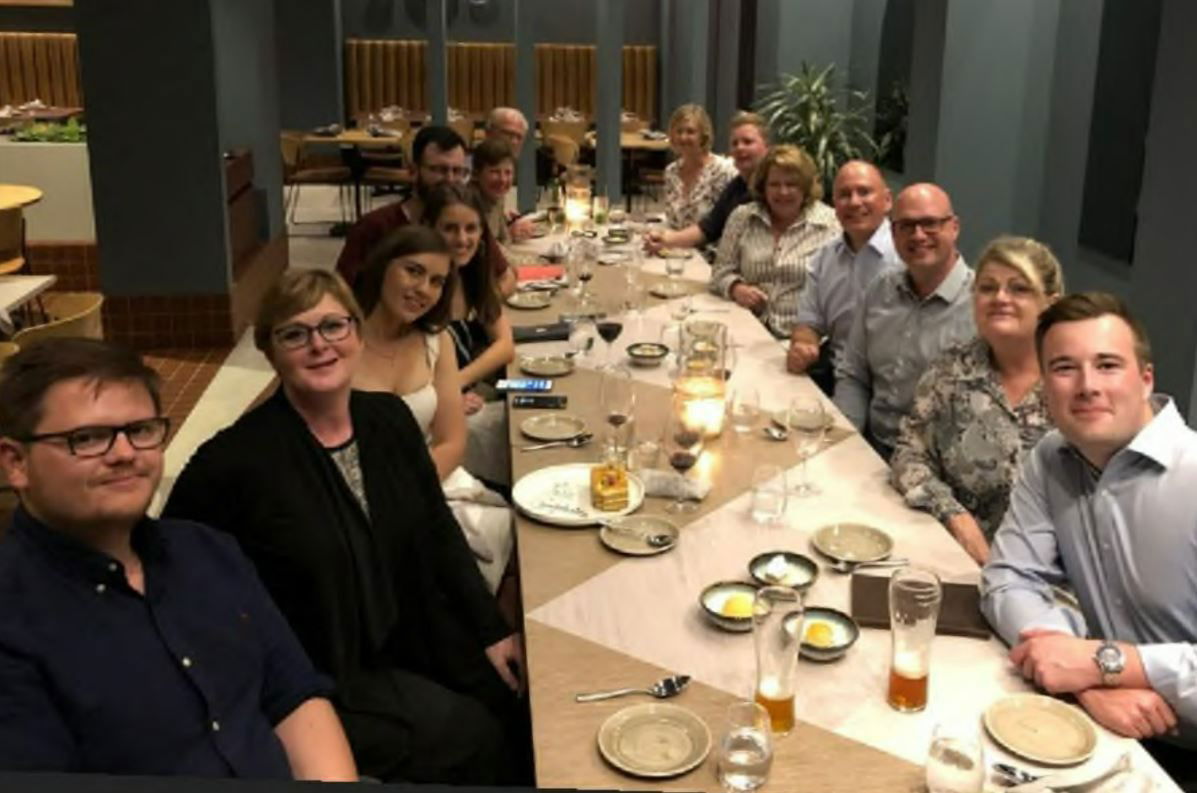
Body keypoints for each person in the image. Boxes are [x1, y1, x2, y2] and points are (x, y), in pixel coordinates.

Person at [164, 270, 529, 785]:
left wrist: (490, 631)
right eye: (295, 333)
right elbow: (173, 571)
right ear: (270, 351)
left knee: (514, 695)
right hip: (326, 673)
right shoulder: (232, 462)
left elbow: (435, 529)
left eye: (334, 326)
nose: (319, 345)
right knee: (470, 736)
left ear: (357, 334)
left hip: (411, 630)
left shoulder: (388, 421)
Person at [0, 338, 356, 781]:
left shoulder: (208, 550)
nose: (125, 453)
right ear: (16, 463)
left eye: (141, 430)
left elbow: (294, 697)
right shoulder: (13, 618)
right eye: (87, 438)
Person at [981, 293, 1197, 786]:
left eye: (1107, 365)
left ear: (1146, 379)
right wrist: (1087, 682)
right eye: (1064, 368)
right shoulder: (1052, 458)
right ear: (1043, 387)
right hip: (1106, 729)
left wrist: (1107, 664)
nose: (1087, 386)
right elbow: (1009, 577)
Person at [353, 225, 514, 591]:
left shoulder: (434, 340)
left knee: (502, 535)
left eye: (437, 281)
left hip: (426, 479)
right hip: (356, 493)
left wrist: (408, 493)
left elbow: (451, 443)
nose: (424, 290)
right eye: (413, 271)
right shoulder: (341, 340)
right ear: (383, 266)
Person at [890, 237, 1063, 564]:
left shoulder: (1074, 383)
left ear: (1050, 304)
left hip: (1052, 582)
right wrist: (954, 516)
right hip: (958, 560)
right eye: (987, 288)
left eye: (1019, 289)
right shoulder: (950, 371)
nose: (1000, 298)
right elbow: (909, 454)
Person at [833, 183, 975, 460]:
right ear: (894, 233)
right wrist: (846, 443)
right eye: (906, 226)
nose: (918, 235)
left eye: (930, 224)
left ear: (954, 227)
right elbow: (853, 374)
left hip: (938, 466)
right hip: (870, 448)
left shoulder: (981, 306)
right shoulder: (879, 289)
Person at [335, 126, 515, 296]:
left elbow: (507, 277)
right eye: (439, 170)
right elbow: (340, 295)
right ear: (413, 171)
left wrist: (474, 313)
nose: (450, 180)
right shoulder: (375, 227)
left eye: (458, 171)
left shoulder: (467, 224)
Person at [424, 183, 516, 486]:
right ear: (428, 228)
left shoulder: (472, 273)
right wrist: (446, 398)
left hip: (458, 400)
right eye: (450, 228)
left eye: (471, 228)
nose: (462, 240)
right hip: (426, 422)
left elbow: (505, 346)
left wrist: (456, 384)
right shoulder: (421, 288)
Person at [787, 160, 900, 394]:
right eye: (844, 195)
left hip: (891, 389)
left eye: (864, 192)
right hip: (836, 376)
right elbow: (809, 322)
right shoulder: (824, 258)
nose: (854, 202)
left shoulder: (907, 256)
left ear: (887, 200)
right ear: (834, 206)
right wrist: (804, 344)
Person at [709, 144, 841, 337]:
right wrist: (736, 288)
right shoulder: (742, 217)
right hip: (744, 329)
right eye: (775, 184)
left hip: (800, 340)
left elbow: (839, 295)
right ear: (763, 186)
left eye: (791, 184)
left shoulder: (831, 225)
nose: (783, 192)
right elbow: (720, 271)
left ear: (805, 187)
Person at [644, 110, 769, 254]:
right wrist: (666, 240)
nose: (740, 148)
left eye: (748, 142)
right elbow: (709, 227)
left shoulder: (772, 186)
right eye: (735, 143)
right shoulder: (737, 185)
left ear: (767, 146)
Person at [661, 104, 737, 231]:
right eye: (679, 131)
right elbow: (672, 221)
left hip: (710, 248)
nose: (683, 137)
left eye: (690, 132)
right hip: (674, 247)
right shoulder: (671, 172)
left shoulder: (723, 171)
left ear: (703, 136)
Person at [472, 136, 533, 246]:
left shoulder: (497, 196)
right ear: (476, 174)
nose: (503, 180)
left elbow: (504, 239)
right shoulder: (469, 205)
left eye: (508, 173)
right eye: (495, 172)